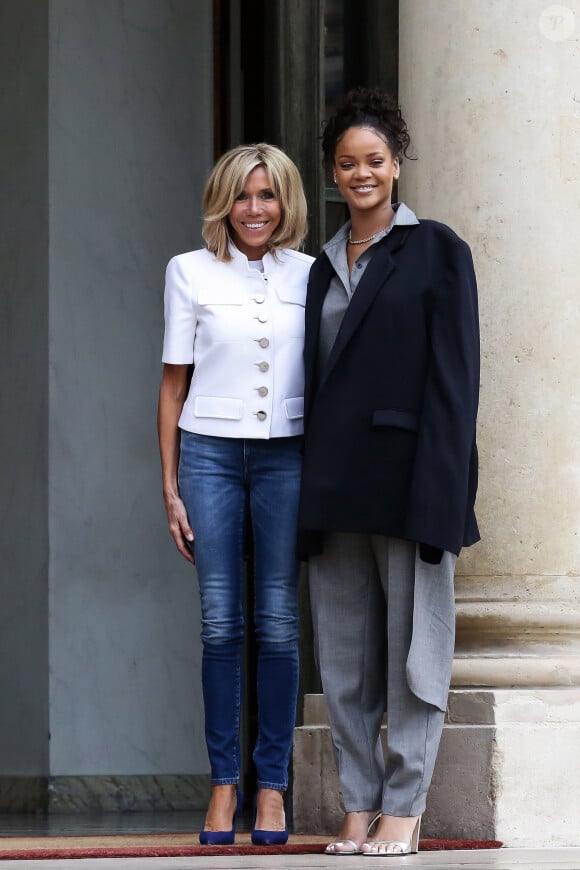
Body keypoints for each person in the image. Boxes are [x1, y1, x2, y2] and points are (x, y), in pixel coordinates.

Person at [297, 87, 480, 856]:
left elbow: (455, 381)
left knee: (414, 655)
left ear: (397, 164)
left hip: (409, 483)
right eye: (348, 163)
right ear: (333, 174)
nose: (362, 174)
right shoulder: (319, 267)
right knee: (342, 663)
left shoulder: (437, 249)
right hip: (334, 487)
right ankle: (358, 803)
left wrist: (445, 492)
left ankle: (405, 805)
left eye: (375, 160)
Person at [157, 143, 313, 846]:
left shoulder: (314, 275)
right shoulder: (187, 271)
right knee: (221, 623)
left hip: (288, 455)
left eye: (269, 196)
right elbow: (172, 385)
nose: (256, 210)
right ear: (224, 201)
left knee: (277, 623)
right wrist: (169, 488)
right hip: (210, 456)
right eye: (244, 196)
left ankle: (272, 789)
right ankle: (225, 787)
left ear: (286, 204)